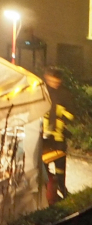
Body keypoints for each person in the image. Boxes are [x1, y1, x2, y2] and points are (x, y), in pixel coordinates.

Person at [42, 68, 75, 202]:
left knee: (60, 166)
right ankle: (46, 191)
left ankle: (62, 188)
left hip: (59, 137)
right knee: (43, 165)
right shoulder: (42, 91)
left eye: (56, 81)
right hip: (44, 137)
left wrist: (62, 115)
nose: (53, 83)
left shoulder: (65, 94)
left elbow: (72, 115)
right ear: (46, 77)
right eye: (51, 80)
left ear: (60, 81)